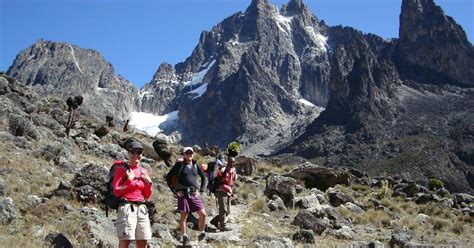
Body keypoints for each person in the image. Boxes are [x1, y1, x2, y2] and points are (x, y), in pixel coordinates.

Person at [113, 141, 153, 248]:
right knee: (126, 240)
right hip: (127, 207)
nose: (136, 155)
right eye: (133, 152)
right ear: (128, 153)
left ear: (142, 154)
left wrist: (149, 183)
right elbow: (116, 191)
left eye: (139, 152)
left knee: (143, 241)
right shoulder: (122, 170)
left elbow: (147, 195)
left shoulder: (143, 171)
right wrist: (129, 181)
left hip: (142, 208)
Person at [166, 147, 207, 243]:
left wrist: (201, 191)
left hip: (194, 193)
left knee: (203, 214)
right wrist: (175, 191)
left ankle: (202, 232)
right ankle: (184, 236)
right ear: (183, 154)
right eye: (187, 153)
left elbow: (204, 177)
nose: (189, 154)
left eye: (191, 153)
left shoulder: (196, 164)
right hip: (183, 194)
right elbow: (168, 178)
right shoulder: (179, 165)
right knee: (184, 216)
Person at [214, 157, 238, 232]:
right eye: (230, 162)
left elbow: (232, 182)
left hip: (228, 191)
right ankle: (222, 226)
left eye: (233, 162)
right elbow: (217, 177)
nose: (232, 163)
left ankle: (214, 221)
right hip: (221, 190)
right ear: (228, 162)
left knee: (228, 211)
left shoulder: (233, 171)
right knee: (223, 209)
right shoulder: (223, 169)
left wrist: (232, 192)